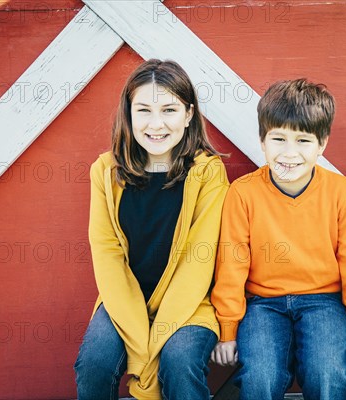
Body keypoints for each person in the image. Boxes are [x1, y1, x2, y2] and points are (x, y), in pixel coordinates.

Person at [210, 79, 346, 400]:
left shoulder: (341, 193)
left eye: (302, 141)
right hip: (262, 304)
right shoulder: (243, 193)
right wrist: (227, 329)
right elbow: (231, 263)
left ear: (322, 143)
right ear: (262, 140)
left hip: (324, 301)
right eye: (278, 139)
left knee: (327, 374)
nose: (289, 153)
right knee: (260, 377)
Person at [74, 59, 229, 400]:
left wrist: (151, 345)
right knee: (95, 364)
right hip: (124, 299)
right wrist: (139, 339)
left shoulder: (208, 173)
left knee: (179, 361)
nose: (156, 124)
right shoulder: (105, 171)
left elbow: (197, 261)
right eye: (143, 110)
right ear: (128, 114)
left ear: (189, 114)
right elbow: (107, 252)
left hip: (189, 302)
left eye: (169, 110)